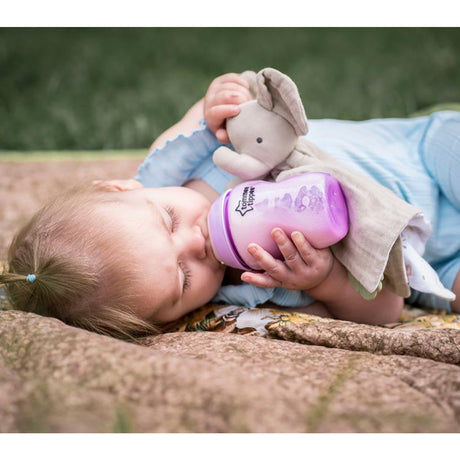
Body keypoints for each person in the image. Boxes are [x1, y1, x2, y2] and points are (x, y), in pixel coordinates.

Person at [1, 73, 459, 341]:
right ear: (172, 318)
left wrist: (220, 98)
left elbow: (244, 91)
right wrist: (329, 282)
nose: (196, 244)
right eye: (182, 279)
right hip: (433, 262)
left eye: (169, 220)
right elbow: (388, 309)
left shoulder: (174, 162)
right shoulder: (252, 285)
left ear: (123, 189)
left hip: (425, 156)